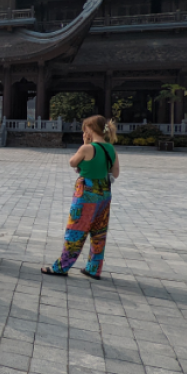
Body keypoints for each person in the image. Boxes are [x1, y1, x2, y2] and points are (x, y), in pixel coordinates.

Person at [42, 115, 119, 280]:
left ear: (90, 129)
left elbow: (72, 162)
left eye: (85, 129)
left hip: (86, 193)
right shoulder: (111, 149)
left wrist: (85, 144)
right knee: (99, 232)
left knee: (76, 229)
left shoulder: (87, 148)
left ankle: (62, 266)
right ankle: (94, 268)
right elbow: (116, 173)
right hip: (104, 193)